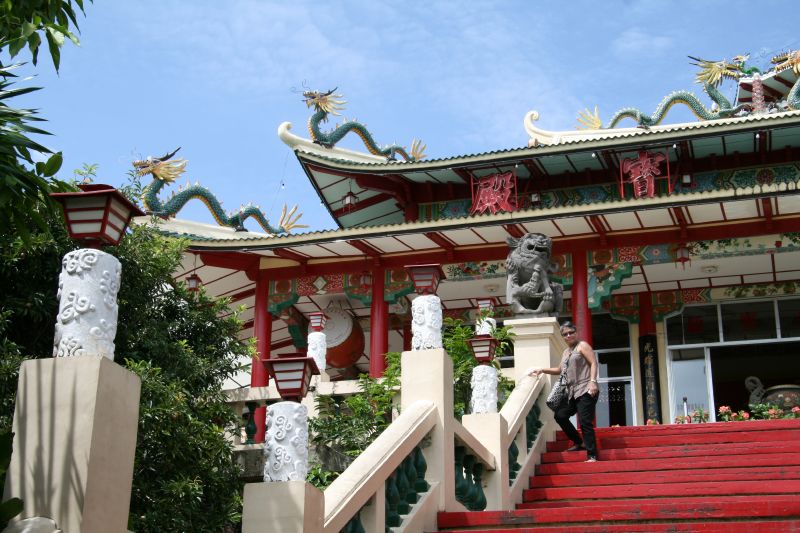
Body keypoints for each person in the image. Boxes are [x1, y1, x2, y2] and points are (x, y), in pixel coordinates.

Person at [528, 321, 600, 462]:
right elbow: (559, 370)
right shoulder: (566, 352)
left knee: (585, 421)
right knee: (560, 415)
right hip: (572, 392)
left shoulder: (582, 346)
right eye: (565, 334)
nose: (568, 335)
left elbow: (593, 363)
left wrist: (593, 382)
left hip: (586, 388)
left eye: (571, 332)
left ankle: (592, 455)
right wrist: (542, 369)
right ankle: (579, 442)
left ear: (576, 333)